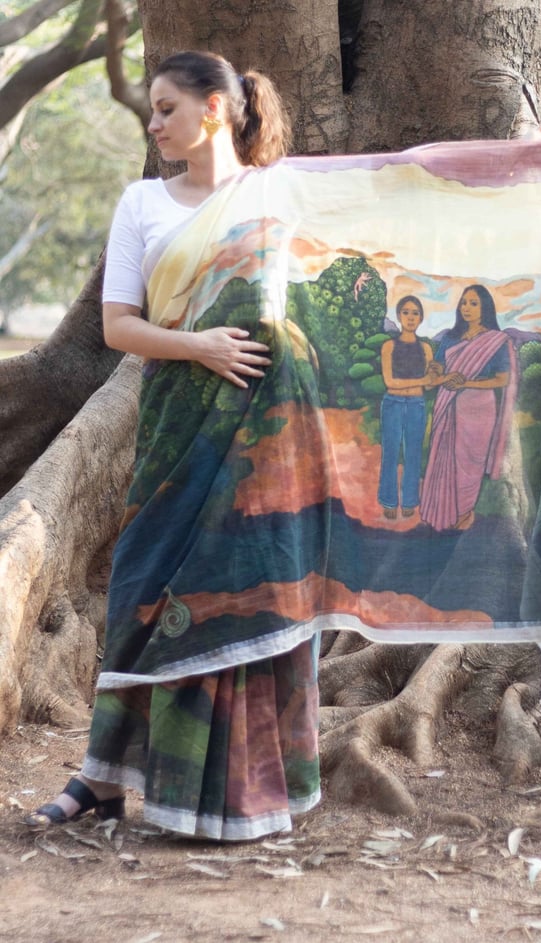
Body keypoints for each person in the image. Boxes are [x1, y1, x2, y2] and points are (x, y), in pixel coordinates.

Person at [25, 51, 322, 841]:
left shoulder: (278, 195)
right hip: (172, 425)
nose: (153, 124)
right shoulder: (144, 203)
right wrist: (202, 347)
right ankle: (101, 777)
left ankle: (243, 788)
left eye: (166, 108)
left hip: (263, 433)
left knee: (246, 588)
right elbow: (120, 325)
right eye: (152, 110)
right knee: (143, 584)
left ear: (214, 109)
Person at [420, 284, 516, 532]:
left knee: (471, 463)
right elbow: (438, 368)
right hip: (449, 404)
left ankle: (464, 511)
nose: (467, 308)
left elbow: (502, 379)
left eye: (474, 303)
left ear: (485, 308)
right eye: (464, 302)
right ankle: (443, 512)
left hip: (480, 407)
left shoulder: (495, 341)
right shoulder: (451, 338)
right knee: (446, 457)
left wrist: (466, 383)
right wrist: (436, 370)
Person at [377, 295, 434, 519]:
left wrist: (437, 376)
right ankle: (389, 501)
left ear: (421, 318)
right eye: (406, 312)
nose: (411, 317)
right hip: (393, 403)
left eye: (415, 313)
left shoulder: (426, 348)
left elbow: (429, 385)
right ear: (399, 316)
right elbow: (390, 382)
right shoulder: (389, 346)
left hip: (416, 405)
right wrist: (422, 380)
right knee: (390, 453)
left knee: (413, 454)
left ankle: (410, 500)